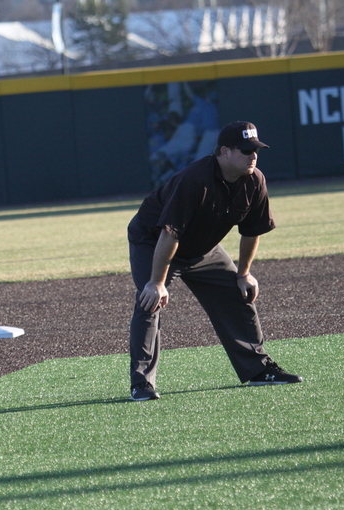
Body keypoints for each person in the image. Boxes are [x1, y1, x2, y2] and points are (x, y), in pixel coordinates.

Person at [127, 121, 302, 401]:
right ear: (224, 152)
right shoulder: (194, 180)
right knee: (149, 301)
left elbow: (252, 231)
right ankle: (142, 384)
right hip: (154, 240)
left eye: (255, 149)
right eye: (245, 150)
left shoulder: (255, 180)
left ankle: (258, 369)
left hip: (203, 248)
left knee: (237, 291)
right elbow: (170, 234)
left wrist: (244, 273)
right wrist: (157, 282)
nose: (253, 156)